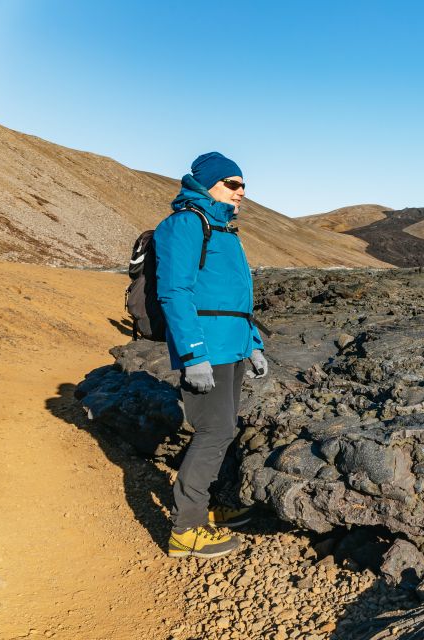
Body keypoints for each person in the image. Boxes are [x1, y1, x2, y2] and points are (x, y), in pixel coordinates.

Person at [154, 151, 268, 558]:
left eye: (244, 186)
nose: (242, 192)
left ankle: (204, 506)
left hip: (231, 346)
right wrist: (192, 354)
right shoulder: (186, 224)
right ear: (209, 183)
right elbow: (174, 292)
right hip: (206, 348)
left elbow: (238, 300)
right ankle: (186, 529)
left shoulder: (223, 230)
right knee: (214, 431)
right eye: (233, 184)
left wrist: (252, 345)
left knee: (223, 429)